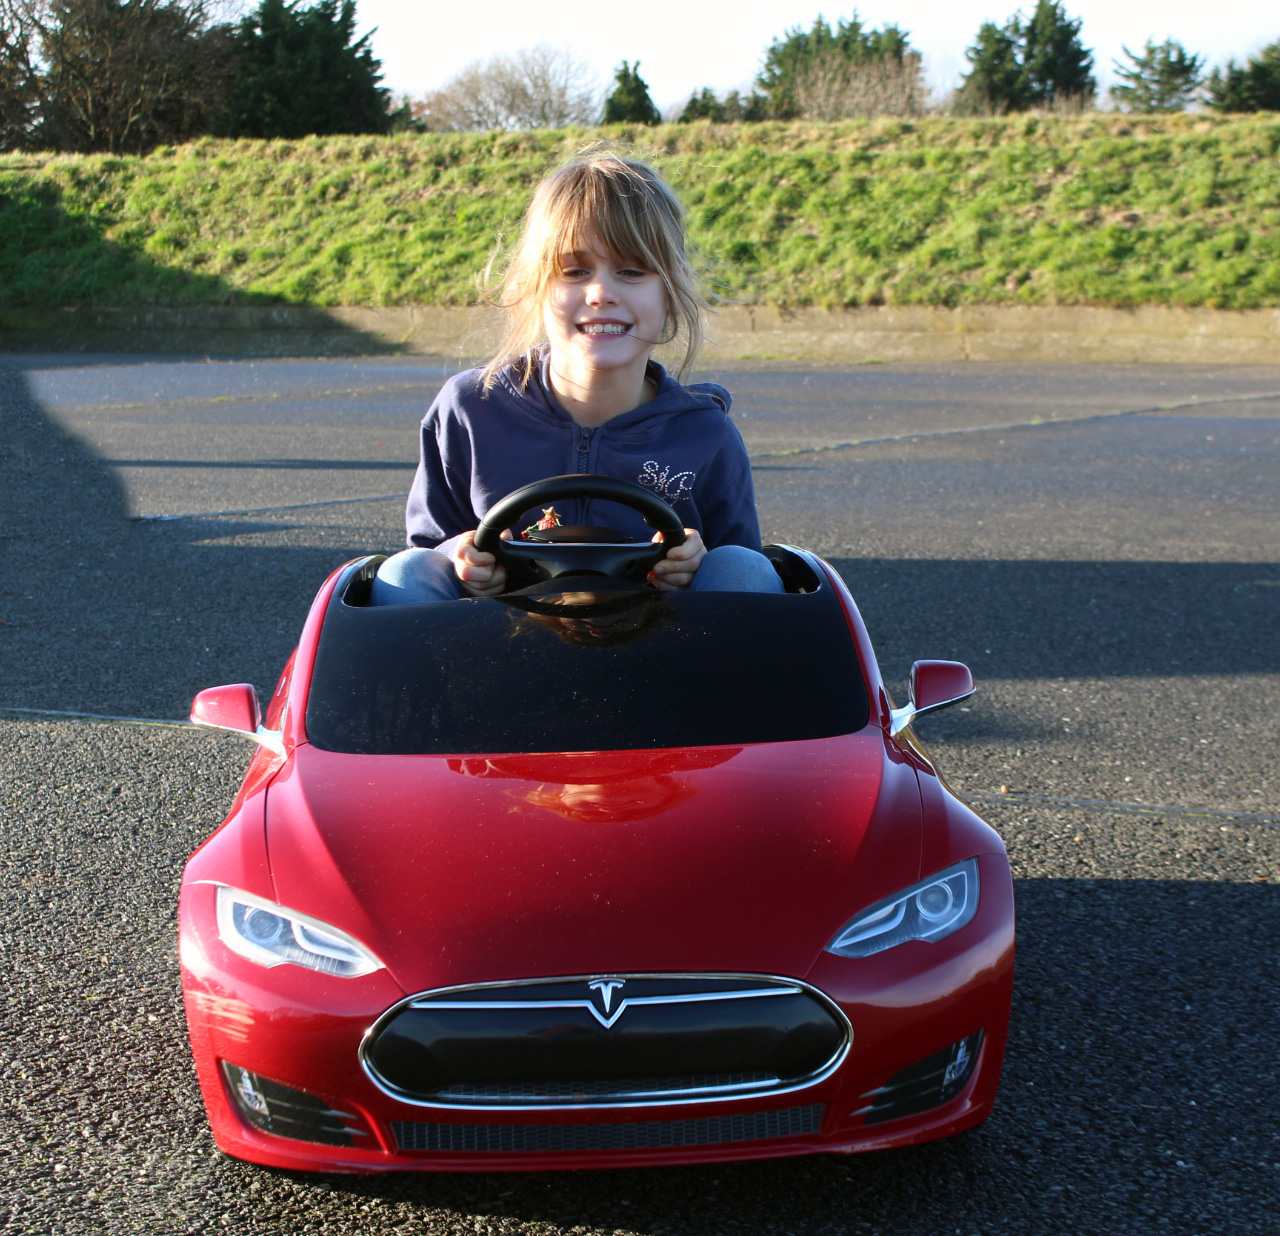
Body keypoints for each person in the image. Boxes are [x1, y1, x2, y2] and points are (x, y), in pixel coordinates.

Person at [370, 148, 783, 605]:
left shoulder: (705, 433)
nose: (601, 293)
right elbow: (430, 548)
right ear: (535, 283)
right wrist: (462, 557)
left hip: (658, 658)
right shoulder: (472, 408)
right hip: (496, 652)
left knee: (745, 567)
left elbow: (738, 566)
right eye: (574, 271)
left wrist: (692, 565)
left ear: (672, 286)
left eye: (631, 270)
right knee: (404, 573)